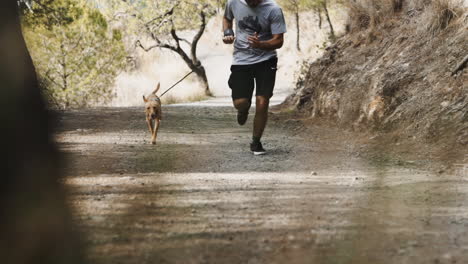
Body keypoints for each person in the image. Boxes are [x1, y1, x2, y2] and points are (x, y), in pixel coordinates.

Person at [223, 0, 286, 155]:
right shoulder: (233, 2)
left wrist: (261, 45)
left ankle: (256, 142)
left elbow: (279, 40)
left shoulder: (273, 9)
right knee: (241, 102)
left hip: (266, 60)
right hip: (241, 59)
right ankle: (243, 109)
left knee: (262, 102)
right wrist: (228, 33)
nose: (251, 2)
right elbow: (227, 18)